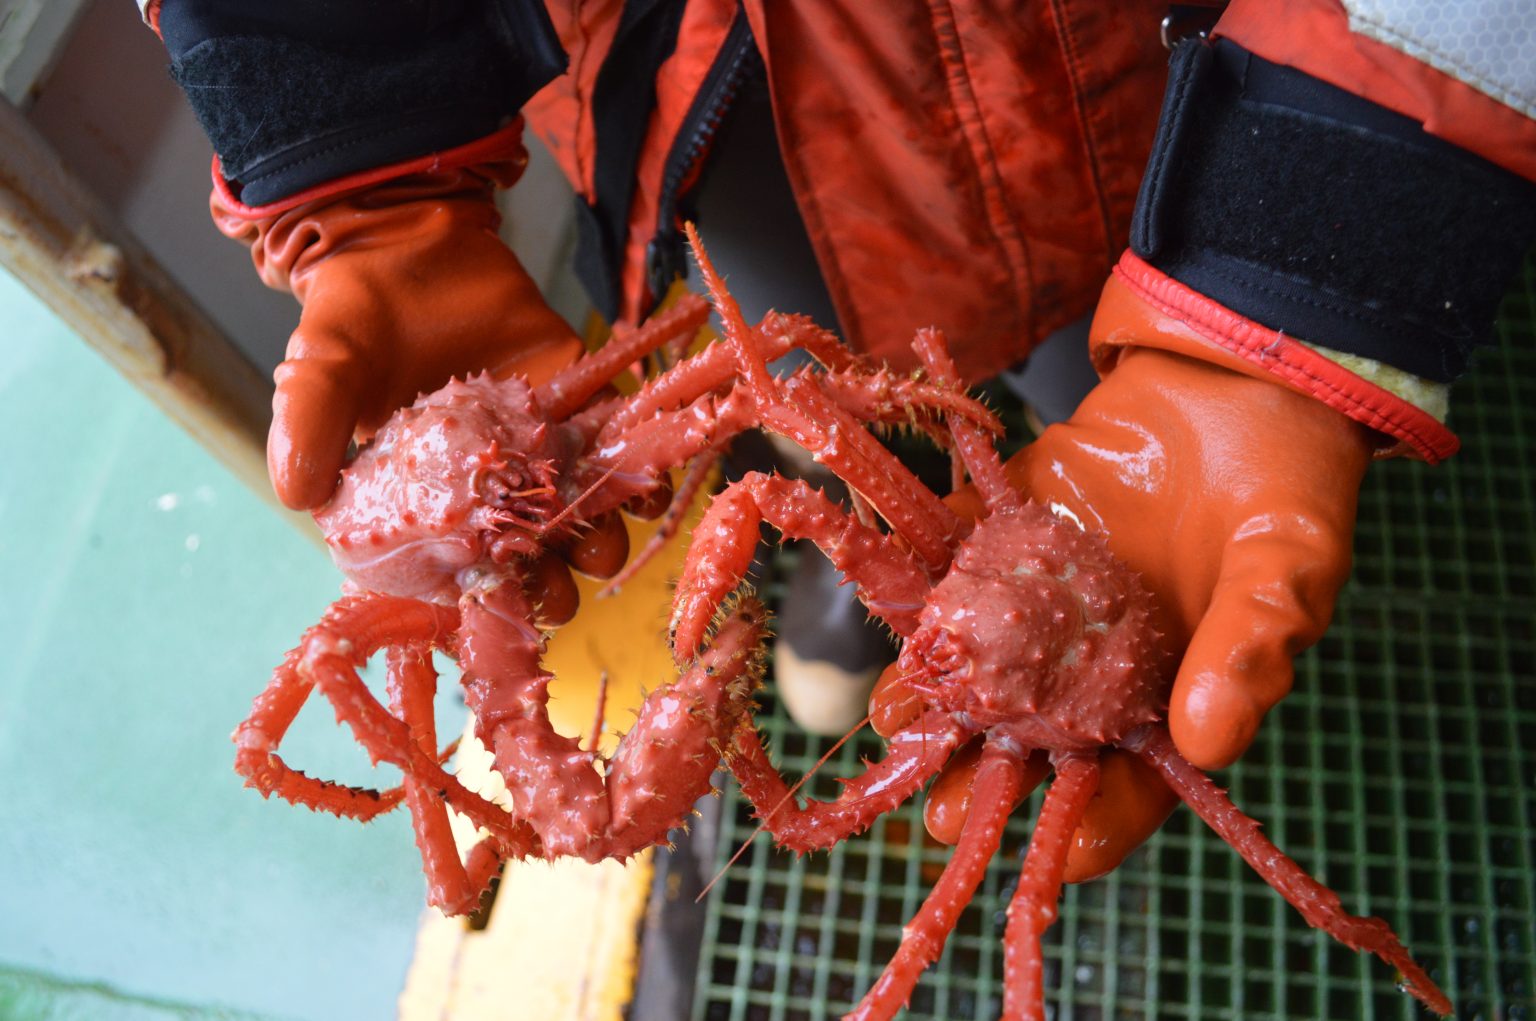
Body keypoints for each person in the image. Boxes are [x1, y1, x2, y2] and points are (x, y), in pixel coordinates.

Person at [138, 0, 1535, 883]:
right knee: (800, 370)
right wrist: (346, 135)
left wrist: (1291, 282)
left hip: (1166, 92)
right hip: (713, 87)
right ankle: (886, 540)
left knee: (970, 377)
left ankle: (977, 481)